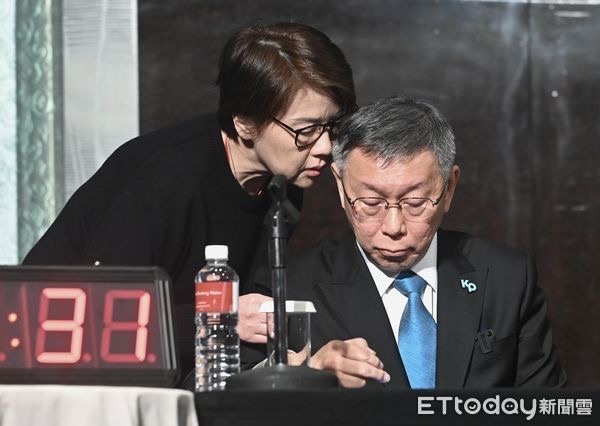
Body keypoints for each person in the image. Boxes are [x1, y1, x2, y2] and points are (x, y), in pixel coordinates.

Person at [22, 22, 356, 383]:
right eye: (305, 131)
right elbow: (102, 322)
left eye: (332, 127)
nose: (325, 147)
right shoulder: (163, 180)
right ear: (244, 123)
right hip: (53, 367)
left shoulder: (284, 178)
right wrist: (220, 318)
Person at [251, 96, 566, 388]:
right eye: (371, 202)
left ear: (449, 188)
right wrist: (305, 373)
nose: (393, 227)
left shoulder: (507, 278)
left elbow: (547, 407)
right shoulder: (291, 286)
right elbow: (235, 401)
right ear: (340, 186)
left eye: (415, 203)